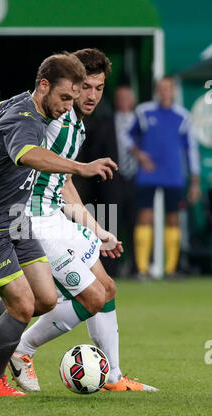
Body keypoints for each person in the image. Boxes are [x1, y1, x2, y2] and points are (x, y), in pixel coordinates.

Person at [0, 49, 157, 393]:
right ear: (57, 86)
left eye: (98, 88)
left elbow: (62, 183)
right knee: (81, 298)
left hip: (49, 216)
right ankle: (20, 352)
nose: (88, 96)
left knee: (99, 290)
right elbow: (3, 123)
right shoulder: (49, 115)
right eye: (83, 88)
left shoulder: (72, 120)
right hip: (24, 217)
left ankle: (113, 376)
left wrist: (95, 227)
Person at [126, 76, 201, 279]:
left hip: (173, 175)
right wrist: (139, 155)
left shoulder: (183, 116)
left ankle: (171, 270)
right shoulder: (144, 111)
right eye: (162, 88)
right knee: (145, 217)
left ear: (173, 91)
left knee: (173, 219)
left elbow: (191, 150)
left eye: (168, 88)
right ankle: (142, 269)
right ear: (157, 90)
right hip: (148, 174)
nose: (165, 92)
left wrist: (195, 181)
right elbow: (128, 137)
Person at [88, 85, 138, 277]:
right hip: (111, 182)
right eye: (120, 97)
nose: (124, 100)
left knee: (136, 224)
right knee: (109, 223)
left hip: (137, 180)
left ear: (132, 100)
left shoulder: (141, 121)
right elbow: (94, 152)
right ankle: (110, 269)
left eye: (127, 96)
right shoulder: (104, 123)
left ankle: (136, 267)